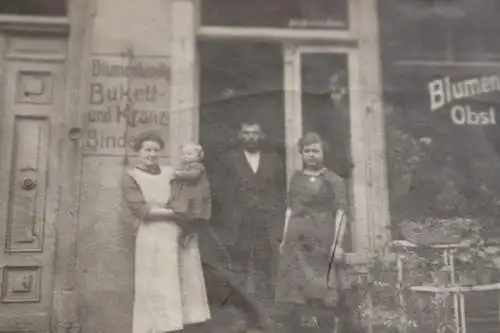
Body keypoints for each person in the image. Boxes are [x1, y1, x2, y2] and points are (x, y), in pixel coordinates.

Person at [122, 131, 211, 333]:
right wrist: (177, 212)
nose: (152, 154)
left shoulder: (171, 172)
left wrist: (191, 217)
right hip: (152, 233)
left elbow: (193, 192)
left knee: (180, 281)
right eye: (147, 150)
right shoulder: (131, 177)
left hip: (177, 231)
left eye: (155, 150)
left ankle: (176, 327)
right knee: (154, 283)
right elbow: (141, 210)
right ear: (138, 152)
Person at [211, 119, 286, 330]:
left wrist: (271, 215)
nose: (250, 137)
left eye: (254, 133)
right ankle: (241, 318)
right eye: (246, 133)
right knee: (238, 271)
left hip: (264, 224)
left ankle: (265, 317)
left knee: (263, 270)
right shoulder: (228, 159)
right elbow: (218, 190)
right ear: (240, 135)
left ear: (261, 136)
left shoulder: (273, 160)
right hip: (237, 224)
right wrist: (234, 207)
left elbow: (280, 193)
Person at [275, 132, 348, 333]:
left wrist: (337, 243)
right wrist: (284, 238)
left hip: (320, 238)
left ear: (323, 153)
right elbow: (290, 208)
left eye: (315, 151)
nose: (311, 155)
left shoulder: (333, 179)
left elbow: (341, 212)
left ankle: (323, 328)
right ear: (302, 153)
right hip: (296, 237)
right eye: (307, 151)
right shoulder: (296, 178)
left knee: (319, 287)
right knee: (296, 287)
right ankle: (304, 327)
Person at [166, 142, 211, 248]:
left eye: (190, 154)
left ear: (198, 156)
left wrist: (177, 174)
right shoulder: (183, 166)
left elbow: (193, 175)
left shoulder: (197, 166)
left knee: (191, 215)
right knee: (180, 213)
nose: (186, 157)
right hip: (185, 196)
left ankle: (188, 232)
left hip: (195, 195)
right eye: (184, 154)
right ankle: (185, 232)